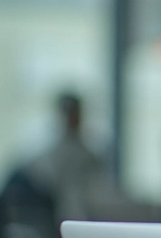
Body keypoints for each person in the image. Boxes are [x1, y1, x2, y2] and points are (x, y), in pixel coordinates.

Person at [18, 93, 108, 221]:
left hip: (73, 216)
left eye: (74, 113)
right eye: (68, 113)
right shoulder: (47, 153)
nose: (71, 118)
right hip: (47, 212)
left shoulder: (88, 156)